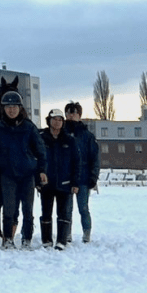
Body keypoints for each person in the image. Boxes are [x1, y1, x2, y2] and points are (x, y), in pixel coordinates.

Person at [0, 91, 47, 248]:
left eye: (15, 107)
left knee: (27, 209)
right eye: (8, 107)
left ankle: (27, 239)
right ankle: (8, 239)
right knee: (9, 209)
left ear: (20, 108)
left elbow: (41, 150)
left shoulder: (29, 127)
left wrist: (42, 170)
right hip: (7, 174)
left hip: (27, 174)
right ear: (3, 109)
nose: (11, 110)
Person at [39, 108, 83, 250]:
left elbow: (76, 162)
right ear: (49, 120)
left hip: (65, 183)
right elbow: (36, 158)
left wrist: (75, 182)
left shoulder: (69, 140)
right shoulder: (41, 138)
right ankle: (46, 240)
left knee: (63, 213)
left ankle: (61, 240)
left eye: (60, 120)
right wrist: (38, 178)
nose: (57, 122)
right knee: (46, 212)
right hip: (46, 183)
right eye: (54, 119)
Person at [64, 101, 100, 242]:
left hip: (83, 178)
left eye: (74, 112)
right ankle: (66, 233)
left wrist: (93, 176)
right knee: (66, 209)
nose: (71, 115)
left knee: (83, 208)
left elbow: (95, 158)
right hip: (66, 177)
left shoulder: (87, 136)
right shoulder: (61, 134)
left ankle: (86, 233)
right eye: (68, 112)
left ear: (79, 115)